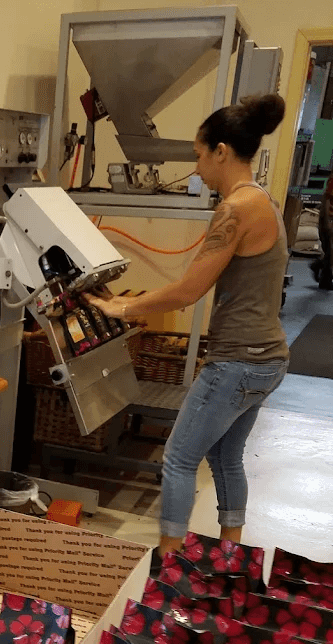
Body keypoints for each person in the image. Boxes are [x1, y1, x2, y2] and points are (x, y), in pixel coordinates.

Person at [88, 94, 288, 559]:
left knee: (178, 459)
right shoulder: (264, 201)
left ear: (221, 151)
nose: (196, 168)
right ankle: (230, 558)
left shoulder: (236, 209)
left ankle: (169, 571)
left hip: (238, 362)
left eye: (199, 155)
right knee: (224, 456)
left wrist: (122, 309)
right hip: (267, 360)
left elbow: (186, 291)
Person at [311, 169, 333, 290]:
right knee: (330, 248)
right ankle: (325, 278)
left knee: (330, 250)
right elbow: (329, 200)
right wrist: (328, 221)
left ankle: (319, 267)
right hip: (329, 216)